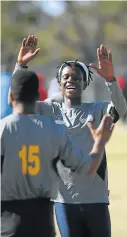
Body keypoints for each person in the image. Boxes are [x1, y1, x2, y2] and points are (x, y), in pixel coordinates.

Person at [9, 35, 127, 237]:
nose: (71, 80)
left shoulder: (98, 109)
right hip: (64, 202)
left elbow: (120, 110)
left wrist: (110, 80)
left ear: (85, 83)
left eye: (76, 78)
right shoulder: (48, 110)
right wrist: (20, 67)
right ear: (59, 82)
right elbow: (18, 102)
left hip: (96, 200)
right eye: (66, 77)